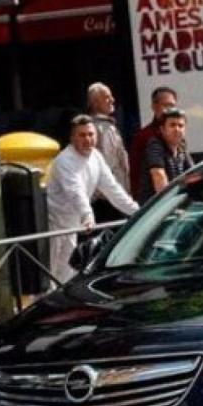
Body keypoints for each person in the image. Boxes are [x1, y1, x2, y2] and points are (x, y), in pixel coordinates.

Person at [47, 115, 139, 283]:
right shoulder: (64, 160)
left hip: (73, 223)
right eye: (82, 135)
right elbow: (75, 191)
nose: (88, 139)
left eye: (91, 134)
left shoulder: (96, 156)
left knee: (68, 269)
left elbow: (112, 188)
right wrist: (87, 215)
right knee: (50, 270)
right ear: (72, 137)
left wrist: (137, 211)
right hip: (54, 224)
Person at [86, 82, 131, 221]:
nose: (112, 100)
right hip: (108, 198)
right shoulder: (102, 127)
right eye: (107, 97)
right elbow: (108, 164)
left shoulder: (103, 125)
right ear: (95, 103)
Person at [137, 108, 195, 204]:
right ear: (162, 129)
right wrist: (170, 205)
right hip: (155, 208)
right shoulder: (155, 145)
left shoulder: (182, 146)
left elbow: (193, 175)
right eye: (172, 125)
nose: (177, 129)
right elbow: (159, 175)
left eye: (181, 126)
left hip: (174, 203)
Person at [130, 86, 178, 196]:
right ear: (154, 106)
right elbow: (136, 173)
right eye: (165, 105)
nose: (170, 110)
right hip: (154, 201)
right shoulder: (144, 136)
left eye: (172, 106)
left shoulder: (178, 135)